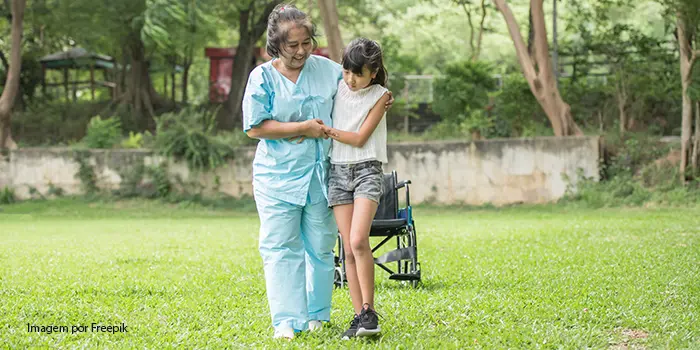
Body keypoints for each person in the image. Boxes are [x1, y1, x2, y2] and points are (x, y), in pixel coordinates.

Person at [241, 5, 392, 340]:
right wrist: (303, 128)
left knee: (321, 246)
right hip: (277, 176)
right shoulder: (261, 78)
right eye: (292, 45)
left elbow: (360, 84)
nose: (301, 51)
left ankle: (317, 314)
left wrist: (382, 95)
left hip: (324, 175)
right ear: (276, 45)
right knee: (281, 246)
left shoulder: (328, 71)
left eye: (306, 42)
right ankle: (285, 320)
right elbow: (254, 127)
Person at [321, 38, 390, 339]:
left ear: (373, 72)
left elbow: (361, 138)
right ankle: (357, 317)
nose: (350, 79)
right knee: (347, 247)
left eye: (357, 74)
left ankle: (369, 311)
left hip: (366, 170)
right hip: (337, 171)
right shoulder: (338, 86)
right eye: (347, 71)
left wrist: (327, 131)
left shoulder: (380, 95)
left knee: (359, 239)